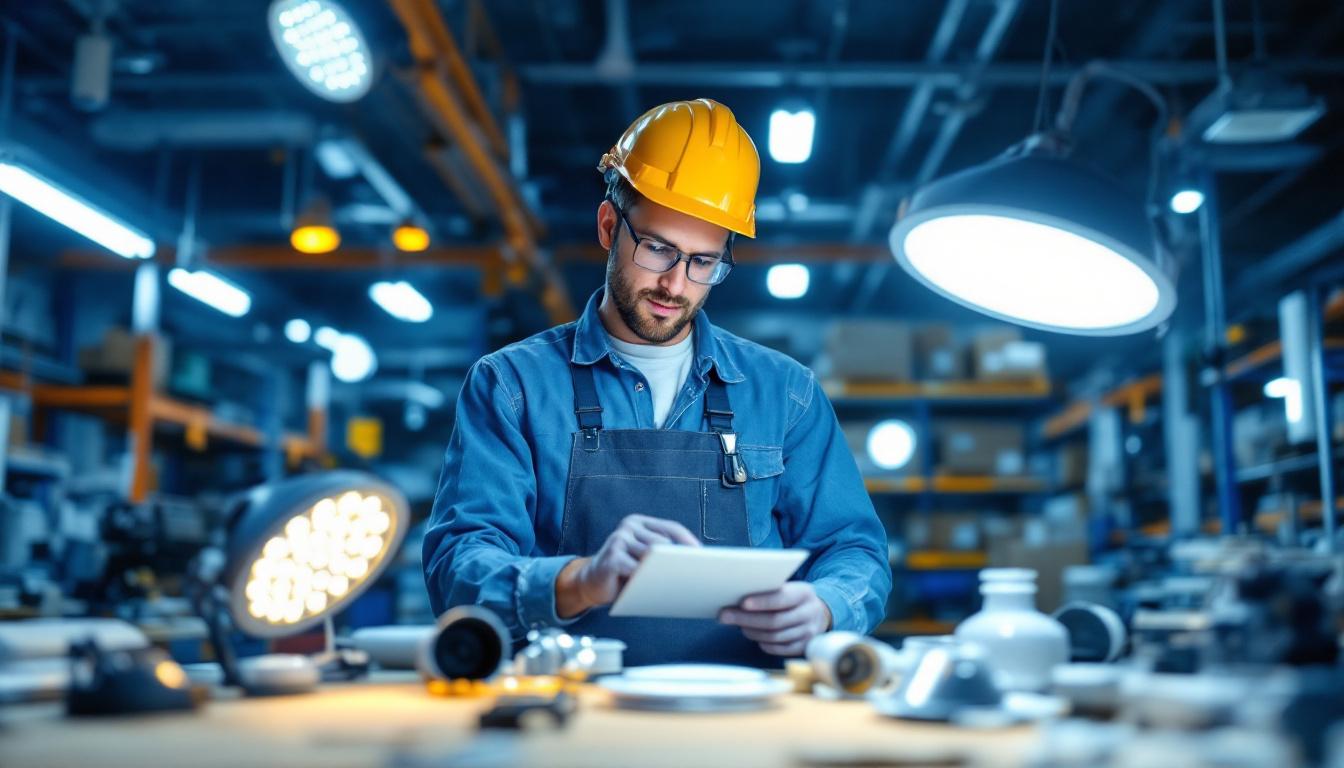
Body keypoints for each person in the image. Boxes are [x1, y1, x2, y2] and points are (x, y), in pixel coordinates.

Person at [424, 98, 890, 666]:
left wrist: (825, 605)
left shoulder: (785, 394)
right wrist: (579, 579)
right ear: (607, 227)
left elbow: (853, 548)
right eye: (658, 249)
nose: (676, 283)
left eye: (703, 262)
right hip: (567, 714)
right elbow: (459, 562)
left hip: (744, 720)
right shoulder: (512, 386)